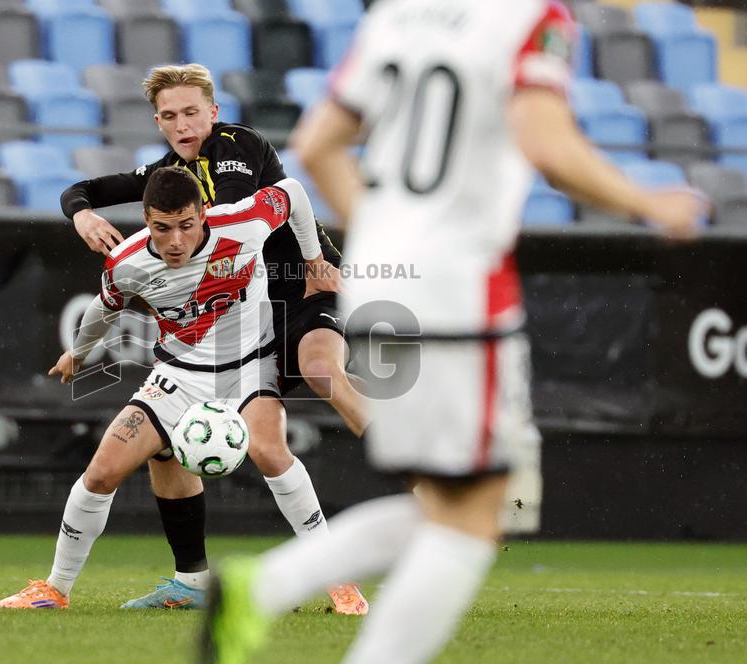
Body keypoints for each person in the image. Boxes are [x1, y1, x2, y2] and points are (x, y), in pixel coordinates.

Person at [201, 1, 706, 662]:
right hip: (459, 285)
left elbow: (318, 146)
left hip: (386, 282)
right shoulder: (531, 15)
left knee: (453, 501)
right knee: (477, 516)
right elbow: (547, 143)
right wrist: (647, 202)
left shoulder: (396, 16)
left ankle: (263, 586)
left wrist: (389, 235)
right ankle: (276, 594)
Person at [60, 64, 368, 614]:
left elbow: (251, 209)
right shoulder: (163, 180)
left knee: (315, 379)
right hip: (222, 328)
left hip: (300, 284)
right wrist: (82, 216)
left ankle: (411, 467)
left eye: (192, 112)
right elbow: (83, 190)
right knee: (156, 457)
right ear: (158, 122)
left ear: (214, 112)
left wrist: (315, 259)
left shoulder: (233, 152)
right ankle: (188, 581)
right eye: (171, 115)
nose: (183, 124)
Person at [0, 167, 360, 612]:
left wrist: (312, 260)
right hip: (178, 376)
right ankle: (55, 589)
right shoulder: (128, 261)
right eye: (161, 227)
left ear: (204, 214)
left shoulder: (242, 222)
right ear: (146, 220)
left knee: (269, 450)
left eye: (186, 226)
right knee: (102, 472)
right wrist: (79, 352)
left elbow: (294, 191)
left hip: (250, 367)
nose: (174, 241)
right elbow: (105, 306)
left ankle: (338, 582)